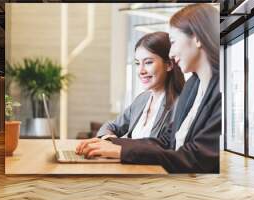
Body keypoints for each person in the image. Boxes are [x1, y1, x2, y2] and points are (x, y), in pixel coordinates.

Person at [76, 3, 221, 173]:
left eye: (173, 42)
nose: (172, 54)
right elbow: (165, 142)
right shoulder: (193, 87)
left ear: (196, 38)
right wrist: (111, 144)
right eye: (138, 63)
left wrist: (121, 151)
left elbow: (196, 158)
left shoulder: (219, 91)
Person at [97, 31, 185, 139]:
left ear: (169, 65)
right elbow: (111, 126)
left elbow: (165, 149)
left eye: (148, 62)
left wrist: (120, 147)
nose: (141, 71)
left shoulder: (180, 105)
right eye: (138, 63)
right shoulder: (142, 100)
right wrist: (109, 138)